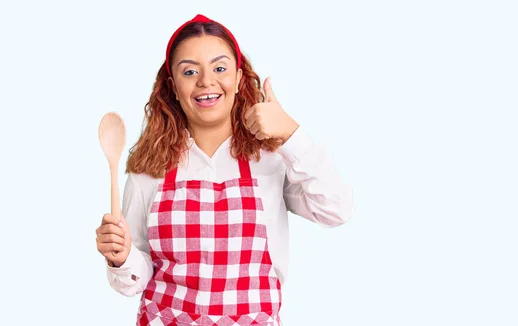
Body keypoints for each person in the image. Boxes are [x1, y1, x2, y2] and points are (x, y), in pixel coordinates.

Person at [95, 14, 353, 326]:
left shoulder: (271, 158)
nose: (206, 81)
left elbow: (336, 210)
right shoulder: (150, 169)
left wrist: (291, 134)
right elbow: (134, 280)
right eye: (190, 71)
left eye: (219, 68)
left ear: (240, 79)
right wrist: (121, 257)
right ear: (173, 87)